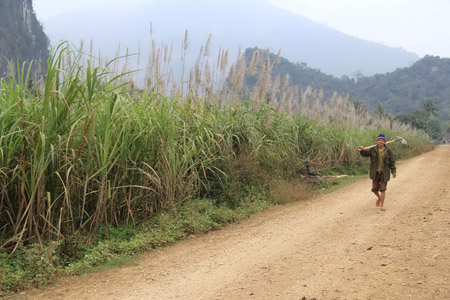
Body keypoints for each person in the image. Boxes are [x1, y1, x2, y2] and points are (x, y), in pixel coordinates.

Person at [359, 133, 397, 211]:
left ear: (384, 142)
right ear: (377, 141)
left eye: (382, 140)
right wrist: (362, 150)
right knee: (374, 189)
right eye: (379, 140)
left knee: (383, 189)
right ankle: (379, 198)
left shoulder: (389, 151)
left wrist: (393, 171)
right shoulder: (373, 149)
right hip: (375, 172)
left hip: (384, 173)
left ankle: (381, 205)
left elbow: (392, 162)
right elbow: (365, 154)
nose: (380, 141)